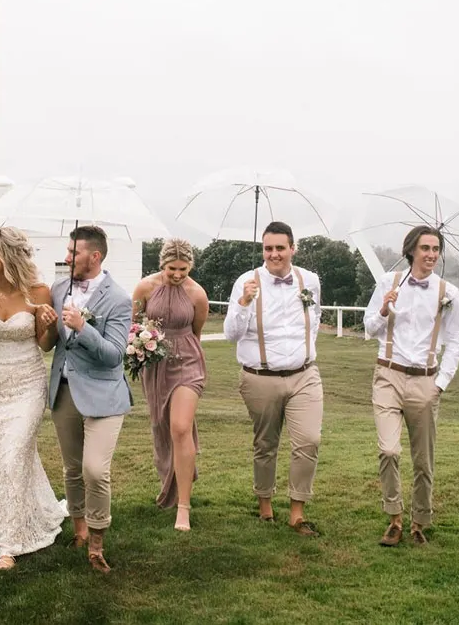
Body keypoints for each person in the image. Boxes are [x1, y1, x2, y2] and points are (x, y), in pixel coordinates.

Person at [0, 226, 67, 569]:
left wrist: (49, 322)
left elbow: (45, 343)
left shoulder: (39, 291)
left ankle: (8, 546)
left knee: (13, 454)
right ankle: (15, 516)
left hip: (26, 383)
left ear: (7, 254)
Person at [361, 225, 459, 547]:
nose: (432, 255)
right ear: (411, 251)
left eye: (436, 249)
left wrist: (441, 384)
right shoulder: (388, 284)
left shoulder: (448, 293)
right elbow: (368, 328)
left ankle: (420, 520)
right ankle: (394, 517)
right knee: (389, 450)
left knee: (423, 460)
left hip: (426, 380)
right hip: (388, 375)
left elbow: (456, 340)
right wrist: (382, 309)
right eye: (425, 248)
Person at [223, 221, 323, 536]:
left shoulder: (310, 280)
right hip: (259, 377)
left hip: (304, 375)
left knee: (309, 440)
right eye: (268, 248)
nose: (274, 254)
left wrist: (303, 350)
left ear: (293, 248)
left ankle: (297, 512)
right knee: (266, 443)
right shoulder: (246, 282)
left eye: (280, 248)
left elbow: (315, 316)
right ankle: (265, 502)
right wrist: (243, 304)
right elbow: (230, 335)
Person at [48, 225, 133, 572]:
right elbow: (51, 341)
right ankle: (79, 529)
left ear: (94, 256)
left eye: (74, 252)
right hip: (64, 390)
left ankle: (98, 541)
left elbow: (114, 354)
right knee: (71, 469)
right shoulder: (57, 288)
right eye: (68, 250)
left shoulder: (119, 299)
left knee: (95, 470)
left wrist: (84, 328)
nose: (67, 257)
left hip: (104, 394)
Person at [132, 237, 208, 531]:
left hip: (188, 363)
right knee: (163, 427)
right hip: (155, 364)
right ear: (161, 264)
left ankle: (183, 509)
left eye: (183, 269)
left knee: (180, 427)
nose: (177, 275)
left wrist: (185, 354)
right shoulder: (145, 288)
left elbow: (196, 333)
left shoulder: (197, 294)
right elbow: (134, 325)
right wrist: (141, 345)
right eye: (171, 269)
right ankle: (171, 484)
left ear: (190, 266)